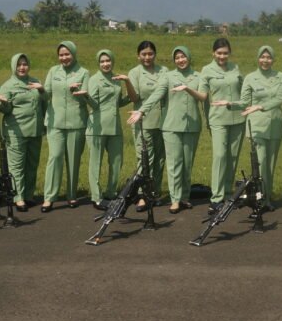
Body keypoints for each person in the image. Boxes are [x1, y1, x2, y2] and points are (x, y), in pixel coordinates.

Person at [128, 46, 206, 214]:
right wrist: (142, 110)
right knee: (174, 163)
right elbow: (156, 95)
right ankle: (175, 199)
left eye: (183, 57)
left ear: (189, 57)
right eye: (177, 58)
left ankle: (184, 197)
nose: (181, 60)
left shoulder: (198, 76)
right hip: (171, 126)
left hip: (192, 126)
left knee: (187, 163)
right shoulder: (168, 76)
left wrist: (187, 88)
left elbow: (203, 97)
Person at [42, 41, 90, 211]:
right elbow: (46, 94)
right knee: (55, 157)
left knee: (73, 160)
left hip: (76, 122)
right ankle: (49, 197)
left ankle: (72, 195)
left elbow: (86, 98)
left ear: (74, 54)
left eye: (67, 54)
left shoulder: (83, 72)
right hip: (55, 122)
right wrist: (40, 90)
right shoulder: (53, 71)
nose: (64, 58)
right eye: (61, 55)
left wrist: (76, 92)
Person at [86, 49, 136, 210]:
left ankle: (111, 193)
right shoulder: (94, 79)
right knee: (95, 163)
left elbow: (118, 102)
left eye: (108, 61)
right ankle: (96, 198)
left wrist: (129, 88)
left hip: (115, 127)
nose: (105, 64)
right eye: (102, 61)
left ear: (113, 61)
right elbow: (94, 105)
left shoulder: (117, 79)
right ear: (98, 63)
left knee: (116, 161)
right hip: (97, 127)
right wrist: (84, 96)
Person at [0, 53, 45, 211]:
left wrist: (42, 90)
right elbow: (5, 110)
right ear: (13, 66)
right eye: (19, 65)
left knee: (32, 165)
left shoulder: (35, 81)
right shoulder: (8, 86)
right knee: (16, 167)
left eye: (25, 64)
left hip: (35, 130)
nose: (22, 67)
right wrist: (4, 104)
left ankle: (29, 195)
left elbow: (44, 103)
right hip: (16, 131)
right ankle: (18, 198)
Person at [200, 39, 245, 212]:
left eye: (225, 53)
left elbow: (244, 91)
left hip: (237, 119)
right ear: (213, 53)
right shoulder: (206, 70)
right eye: (219, 53)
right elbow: (203, 96)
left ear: (229, 53)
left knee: (232, 157)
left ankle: (227, 194)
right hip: (218, 119)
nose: (222, 56)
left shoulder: (235, 68)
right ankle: (216, 198)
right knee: (219, 156)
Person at [241, 45, 282, 208]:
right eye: (262, 57)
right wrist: (229, 104)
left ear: (273, 59)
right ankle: (258, 199)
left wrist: (261, 106)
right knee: (259, 164)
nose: (265, 60)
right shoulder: (250, 78)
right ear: (258, 58)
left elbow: (280, 98)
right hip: (257, 126)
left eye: (268, 57)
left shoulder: (281, 77)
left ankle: (267, 199)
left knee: (270, 164)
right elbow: (244, 101)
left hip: (275, 125)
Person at [127, 40, 166, 208]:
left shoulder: (164, 71)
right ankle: (142, 195)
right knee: (144, 159)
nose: (147, 57)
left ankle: (155, 193)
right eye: (144, 54)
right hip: (142, 122)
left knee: (160, 159)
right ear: (138, 56)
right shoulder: (134, 73)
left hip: (163, 122)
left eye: (150, 54)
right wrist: (126, 82)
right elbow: (134, 98)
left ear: (155, 54)